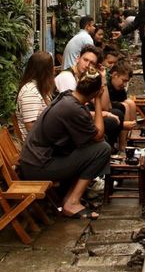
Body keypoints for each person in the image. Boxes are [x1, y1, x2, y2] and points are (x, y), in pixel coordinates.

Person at [19, 70, 111, 219]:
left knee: (89, 148)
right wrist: (99, 101)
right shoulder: (73, 108)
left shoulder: (68, 97)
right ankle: (72, 202)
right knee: (102, 149)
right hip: (39, 166)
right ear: (94, 92)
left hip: (33, 161)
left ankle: (71, 199)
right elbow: (99, 135)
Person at [55, 45, 123, 150]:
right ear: (78, 59)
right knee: (110, 122)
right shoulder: (67, 77)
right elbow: (72, 111)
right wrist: (105, 114)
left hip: (80, 115)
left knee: (117, 113)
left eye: (92, 63)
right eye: (85, 60)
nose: (87, 65)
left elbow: (106, 106)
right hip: (68, 124)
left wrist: (103, 77)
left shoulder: (85, 78)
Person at [16, 51, 55, 140]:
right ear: (46, 72)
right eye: (52, 68)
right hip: (38, 148)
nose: (54, 71)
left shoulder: (39, 88)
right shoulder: (30, 92)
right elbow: (31, 127)